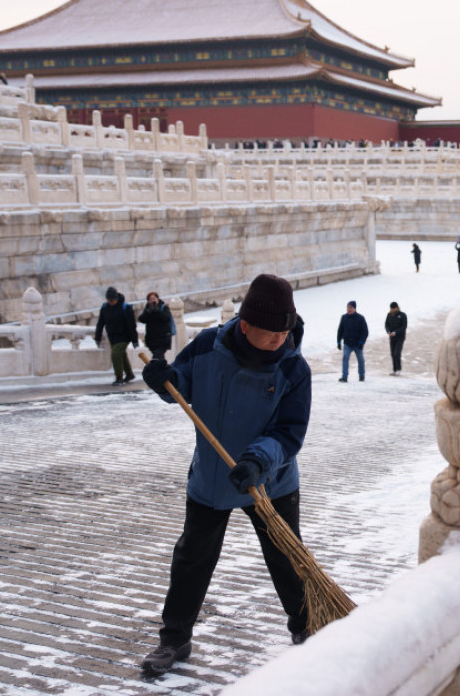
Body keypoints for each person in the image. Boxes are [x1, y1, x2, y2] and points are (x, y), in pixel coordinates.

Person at [139, 274, 311, 675]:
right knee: (192, 559)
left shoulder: (293, 368)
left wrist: (257, 461)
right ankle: (174, 639)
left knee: (287, 557)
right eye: (270, 335)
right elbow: (181, 385)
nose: (278, 342)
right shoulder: (206, 346)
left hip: (269, 479)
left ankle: (307, 626)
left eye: (284, 334)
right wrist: (164, 380)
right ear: (246, 326)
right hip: (212, 478)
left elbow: (289, 432)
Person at [94, 286, 138, 385]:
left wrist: (135, 340)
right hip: (112, 336)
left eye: (113, 300)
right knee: (122, 354)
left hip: (124, 336)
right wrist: (97, 337)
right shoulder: (105, 307)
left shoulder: (125, 307)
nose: (111, 302)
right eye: (109, 300)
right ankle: (129, 374)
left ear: (117, 298)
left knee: (115, 354)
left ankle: (119, 378)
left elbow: (132, 325)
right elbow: (100, 323)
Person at [139, 291, 176, 361]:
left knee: (156, 358)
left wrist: (157, 311)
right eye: (150, 299)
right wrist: (148, 312)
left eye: (154, 298)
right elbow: (141, 319)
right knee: (159, 359)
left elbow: (167, 318)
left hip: (163, 339)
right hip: (152, 340)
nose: (152, 301)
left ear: (157, 299)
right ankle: (164, 370)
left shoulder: (163, 307)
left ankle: (163, 370)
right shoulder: (147, 309)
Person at [337, 301, 368, 381]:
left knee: (360, 360)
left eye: (351, 308)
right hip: (347, 343)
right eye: (348, 307)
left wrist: (361, 342)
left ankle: (361, 375)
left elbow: (365, 332)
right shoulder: (344, 317)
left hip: (357, 344)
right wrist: (338, 341)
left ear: (355, 308)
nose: (349, 309)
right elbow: (340, 330)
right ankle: (344, 377)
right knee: (345, 358)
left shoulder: (360, 318)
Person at [385, 301, 407, 376]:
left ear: (397, 307)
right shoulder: (389, 315)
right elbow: (386, 324)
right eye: (392, 308)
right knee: (392, 354)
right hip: (392, 338)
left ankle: (398, 369)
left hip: (400, 337)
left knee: (397, 353)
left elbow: (404, 326)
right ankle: (394, 369)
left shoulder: (402, 315)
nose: (393, 310)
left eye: (394, 308)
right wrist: (388, 331)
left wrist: (395, 332)